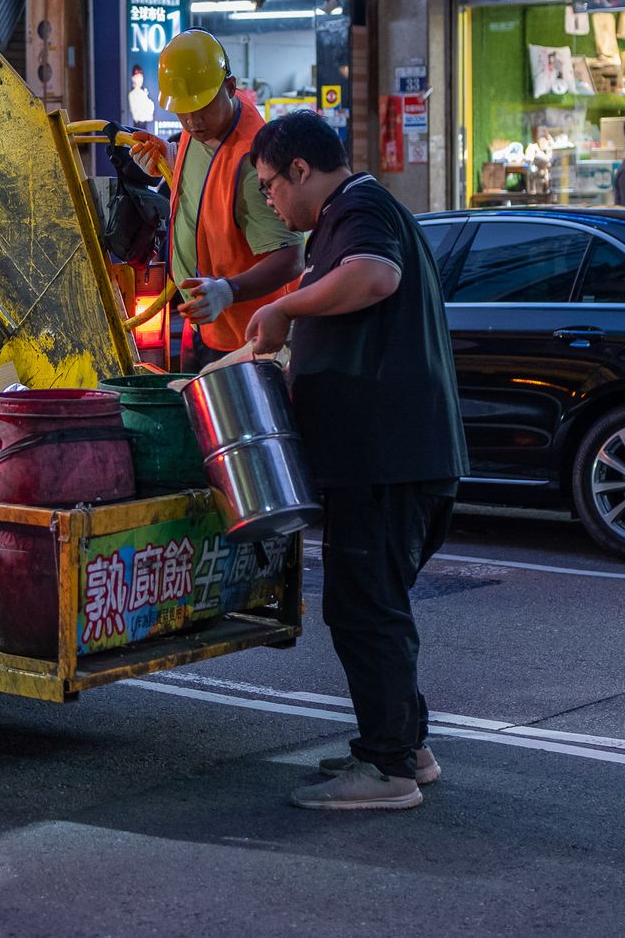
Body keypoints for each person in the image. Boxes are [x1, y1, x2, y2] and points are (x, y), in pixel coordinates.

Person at [243, 111, 467, 812]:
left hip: (385, 458)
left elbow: (375, 277)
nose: (271, 202)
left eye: (271, 185)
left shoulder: (360, 208)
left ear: (302, 171)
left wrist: (284, 307)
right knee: (374, 605)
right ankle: (405, 745)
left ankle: (387, 768)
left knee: (363, 607)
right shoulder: (350, 214)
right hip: (388, 456)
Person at [130, 30, 303, 369]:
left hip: (253, 341)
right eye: (182, 111)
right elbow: (210, 171)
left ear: (230, 86)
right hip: (210, 327)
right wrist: (169, 154)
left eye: (201, 108)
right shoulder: (206, 128)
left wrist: (227, 290)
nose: (192, 121)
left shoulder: (254, 161)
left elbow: (291, 256)